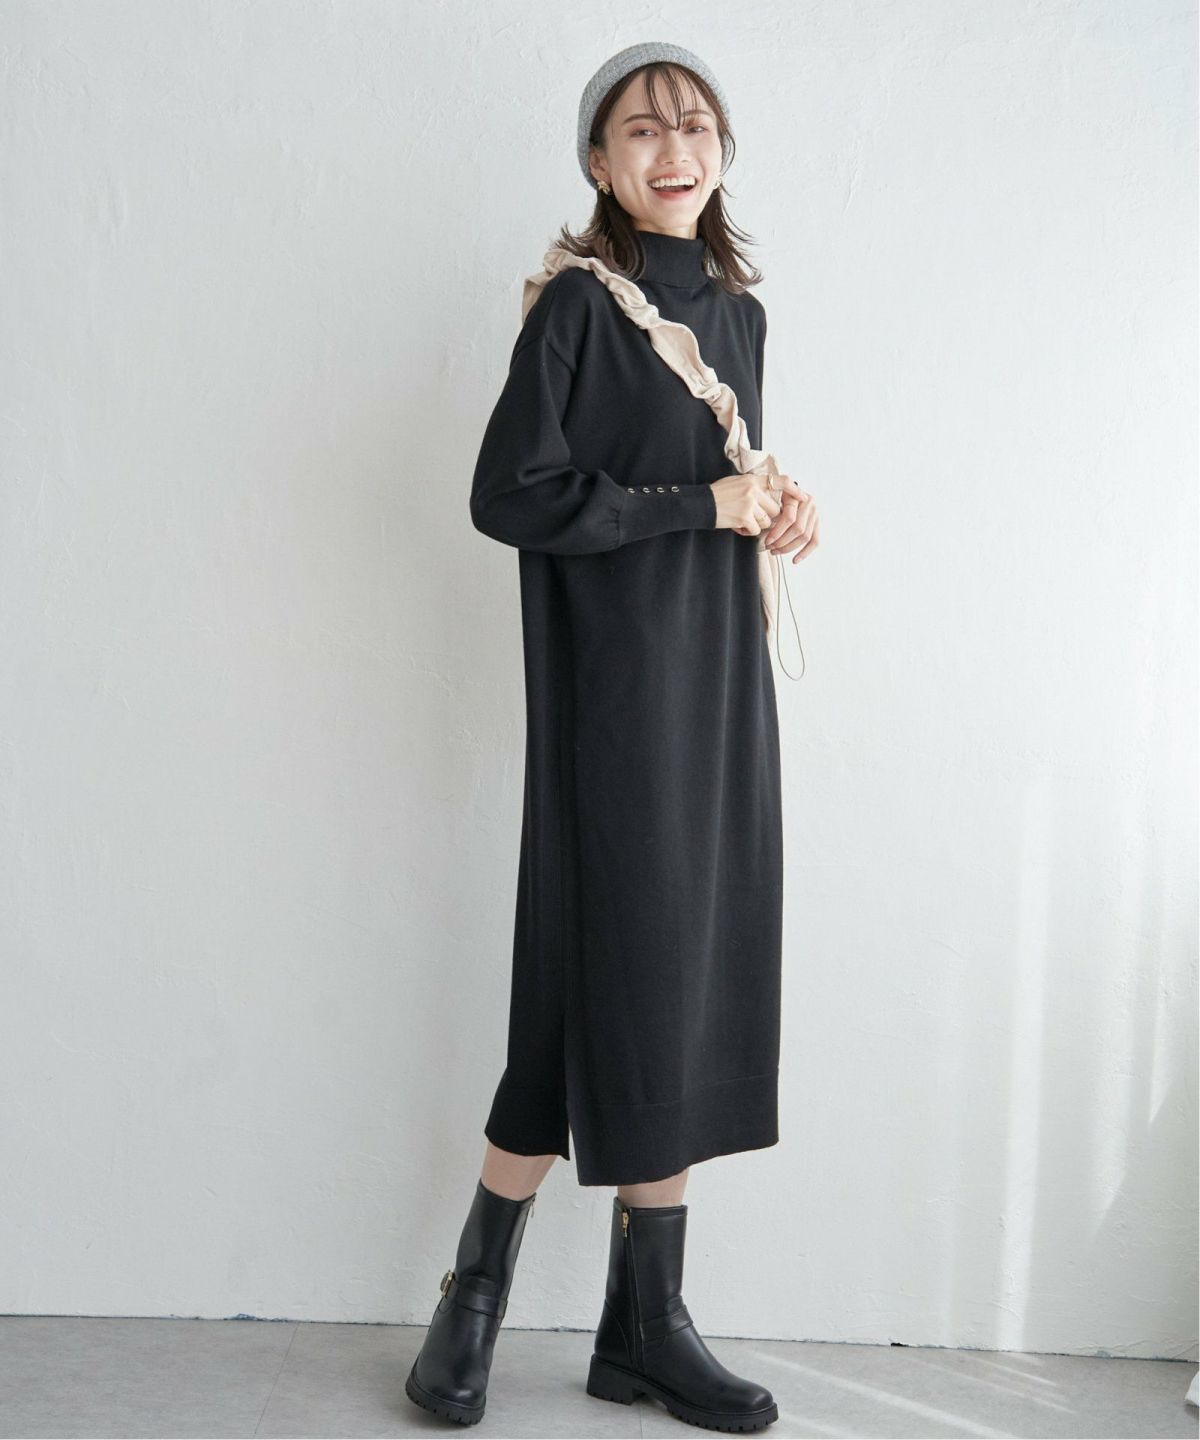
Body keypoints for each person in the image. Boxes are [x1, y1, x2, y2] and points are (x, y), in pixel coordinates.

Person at [405, 41, 820, 1433]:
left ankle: (644, 1322)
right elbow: (511, 491)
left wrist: (776, 506)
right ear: (599, 162)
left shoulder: (741, 319)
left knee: (684, 974)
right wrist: (697, 509)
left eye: (695, 125)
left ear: (722, 151)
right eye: (641, 130)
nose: (672, 149)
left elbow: (718, 478)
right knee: (588, 976)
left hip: (720, 684)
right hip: (616, 694)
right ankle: (478, 1297)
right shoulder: (581, 307)